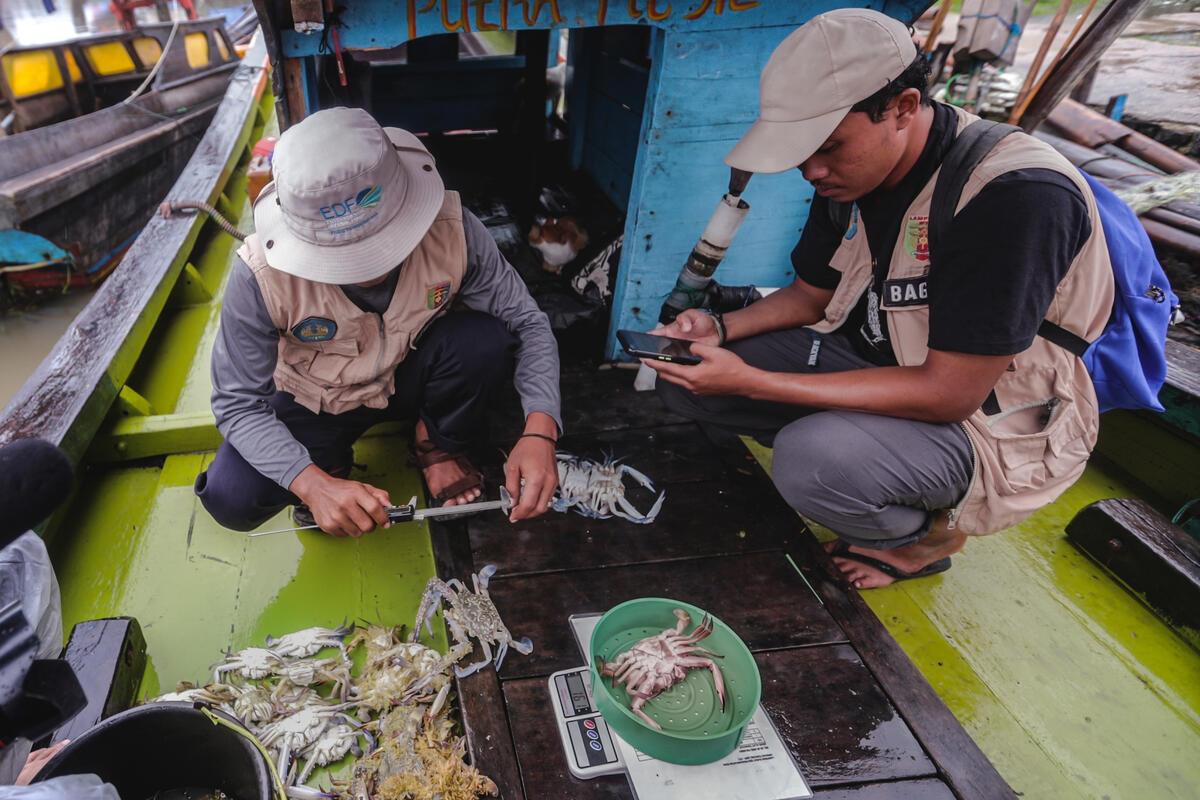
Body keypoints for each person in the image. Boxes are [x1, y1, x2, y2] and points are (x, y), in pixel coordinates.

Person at [647, 9, 1114, 588]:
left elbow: (949, 393)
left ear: (904, 107)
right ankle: (860, 441)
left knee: (813, 462)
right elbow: (810, 296)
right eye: (800, 150)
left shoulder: (1015, 197)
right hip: (881, 361)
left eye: (829, 147)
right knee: (680, 370)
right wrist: (719, 332)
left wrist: (750, 382)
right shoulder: (845, 173)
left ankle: (922, 539)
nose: (810, 170)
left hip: (988, 419)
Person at [195, 108, 562, 536]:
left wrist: (540, 430)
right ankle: (328, 463)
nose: (370, 268)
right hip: (315, 400)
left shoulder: (455, 228)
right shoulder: (258, 275)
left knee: (486, 341)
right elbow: (237, 404)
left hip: (412, 372)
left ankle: (436, 445)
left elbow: (527, 323)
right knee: (231, 498)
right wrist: (312, 484)